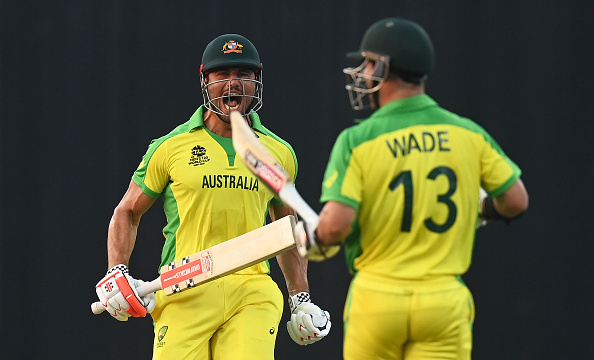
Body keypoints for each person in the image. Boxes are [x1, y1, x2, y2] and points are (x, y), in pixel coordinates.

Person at [297, 17, 529, 359]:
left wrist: (314, 239)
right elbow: (516, 200)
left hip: (378, 297)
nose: (362, 72)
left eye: (369, 62)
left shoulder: (358, 140)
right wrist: (481, 209)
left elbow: (335, 226)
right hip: (444, 300)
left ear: (385, 67)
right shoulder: (468, 133)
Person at [94, 33, 331, 360]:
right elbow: (128, 212)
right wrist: (116, 271)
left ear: (256, 81)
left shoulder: (278, 152)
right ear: (205, 80)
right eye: (222, 75)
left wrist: (300, 298)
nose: (232, 84)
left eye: (243, 75)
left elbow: (285, 231)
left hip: (252, 289)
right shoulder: (169, 147)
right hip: (183, 288)